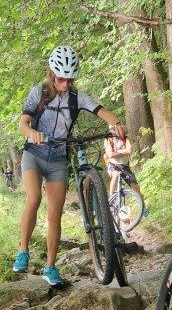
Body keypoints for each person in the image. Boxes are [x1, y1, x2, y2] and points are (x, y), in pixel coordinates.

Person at [13, 45, 125, 287]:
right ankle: (22, 250)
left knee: (55, 214)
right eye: (61, 79)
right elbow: (23, 123)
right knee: (34, 198)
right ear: (52, 74)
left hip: (58, 160)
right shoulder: (39, 93)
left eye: (69, 79)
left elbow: (100, 110)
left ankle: (50, 267)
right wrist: (32, 133)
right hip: (34, 154)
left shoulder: (76, 98)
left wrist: (115, 123)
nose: (65, 84)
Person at [103, 132, 145, 207]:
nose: (113, 130)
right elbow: (110, 155)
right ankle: (111, 200)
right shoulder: (108, 139)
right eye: (111, 128)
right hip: (113, 165)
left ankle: (143, 207)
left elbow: (129, 151)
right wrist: (123, 152)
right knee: (115, 175)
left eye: (114, 128)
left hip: (125, 166)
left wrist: (117, 151)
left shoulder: (125, 138)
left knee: (135, 186)